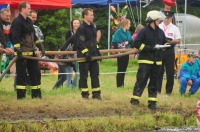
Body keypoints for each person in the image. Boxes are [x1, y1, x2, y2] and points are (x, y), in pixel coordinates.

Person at [130, 10, 167, 110]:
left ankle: (152, 103)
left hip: (157, 62)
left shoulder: (160, 32)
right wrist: (149, 48)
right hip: (145, 61)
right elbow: (136, 43)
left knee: (154, 83)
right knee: (141, 81)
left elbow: (164, 42)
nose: (160, 21)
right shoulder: (144, 31)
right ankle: (134, 100)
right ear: (153, 20)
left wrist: (167, 45)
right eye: (158, 20)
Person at [10, 1, 45, 99]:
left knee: (36, 74)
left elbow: (34, 37)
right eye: (28, 8)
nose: (30, 9)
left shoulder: (29, 21)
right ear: (23, 9)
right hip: (22, 55)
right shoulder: (17, 22)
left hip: (32, 53)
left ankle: (36, 95)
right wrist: (18, 50)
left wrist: (40, 46)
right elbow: (14, 38)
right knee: (22, 76)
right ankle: (21, 97)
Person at [76, 8, 101, 99]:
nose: (93, 16)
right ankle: (85, 95)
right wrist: (86, 54)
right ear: (85, 16)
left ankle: (96, 94)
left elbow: (94, 42)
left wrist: (97, 52)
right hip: (84, 57)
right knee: (84, 76)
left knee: (95, 75)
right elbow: (80, 44)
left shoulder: (93, 28)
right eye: (91, 15)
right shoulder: (81, 29)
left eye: (92, 14)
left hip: (93, 56)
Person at [157, 11, 181, 95]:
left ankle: (168, 91)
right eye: (165, 18)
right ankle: (157, 90)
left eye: (168, 19)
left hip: (169, 51)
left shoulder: (175, 28)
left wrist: (171, 41)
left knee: (170, 72)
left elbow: (179, 40)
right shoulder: (158, 26)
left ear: (171, 19)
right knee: (159, 71)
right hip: (160, 51)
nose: (166, 20)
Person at [52, 19, 80, 89]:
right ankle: (58, 88)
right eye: (74, 23)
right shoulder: (69, 33)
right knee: (63, 74)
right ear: (72, 24)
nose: (76, 24)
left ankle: (72, 86)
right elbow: (67, 43)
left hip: (72, 55)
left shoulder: (80, 33)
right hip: (64, 55)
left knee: (74, 72)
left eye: (77, 23)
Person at [111, 18, 133, 88]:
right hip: (120, 52)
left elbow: (131, 41)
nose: (130, 25)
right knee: (120, 68)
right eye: (129, 24)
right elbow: (114, 41)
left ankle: (122, 84)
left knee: (124, 68)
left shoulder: (127, 32)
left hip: (126, 52)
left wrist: (127, 42)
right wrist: (119, 49)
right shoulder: (118, 31)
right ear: (125, 24)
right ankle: (119, 85)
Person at [0, 8, 14, 73]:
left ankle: (6, 73)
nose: (8, 17)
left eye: (9, 16)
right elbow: (1, 35)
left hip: (7, 42)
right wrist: (6, 47)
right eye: (6, 16)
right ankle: (2, 72)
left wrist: (14, 45)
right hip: (1, 43)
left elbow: (11, 36)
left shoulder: (9, 23)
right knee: (4, 54)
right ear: (1, 15)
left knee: (11, 55)